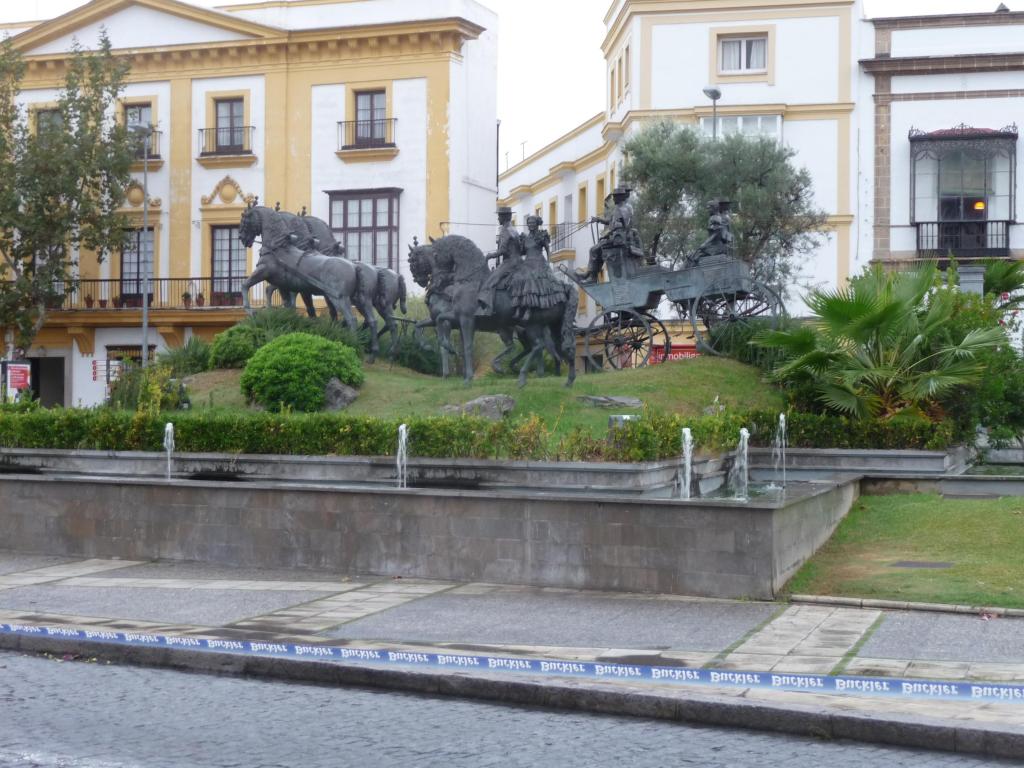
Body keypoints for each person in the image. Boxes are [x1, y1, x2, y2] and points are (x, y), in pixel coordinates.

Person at [576, 187, 639, 282]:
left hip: (619, 239)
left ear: (619, 197)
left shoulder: (623, 209)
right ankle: (590, 274)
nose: (613, 199)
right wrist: (598, 220)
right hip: (617, 237)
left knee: (594, 250)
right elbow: (611, 221)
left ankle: (591, 276)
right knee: (598, 250)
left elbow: (620, 226)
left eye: (614, 197)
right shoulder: (621, 208)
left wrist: (607, 234)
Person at [510, 215, 564, 322]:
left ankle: (529, 310)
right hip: (527, 262)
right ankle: (518, 308)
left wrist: (549, 262)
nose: (530, 225)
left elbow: (548, 250)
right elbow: (522, 252)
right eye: (529, 223)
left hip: (538, 262)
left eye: (532, 223)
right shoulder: (525, 238)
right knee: (517, 279)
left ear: (537, 224)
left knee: (531, 282)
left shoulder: (542, 235)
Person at [477, 206, 524, 316]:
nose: (498, 219)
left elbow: (502, 250)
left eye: (499, 216)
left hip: (510, 262)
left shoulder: (504, 230)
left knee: (490, 280)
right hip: (519, 261)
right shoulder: (514, 230)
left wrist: (489, 255)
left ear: (505, 217)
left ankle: (488, 308)